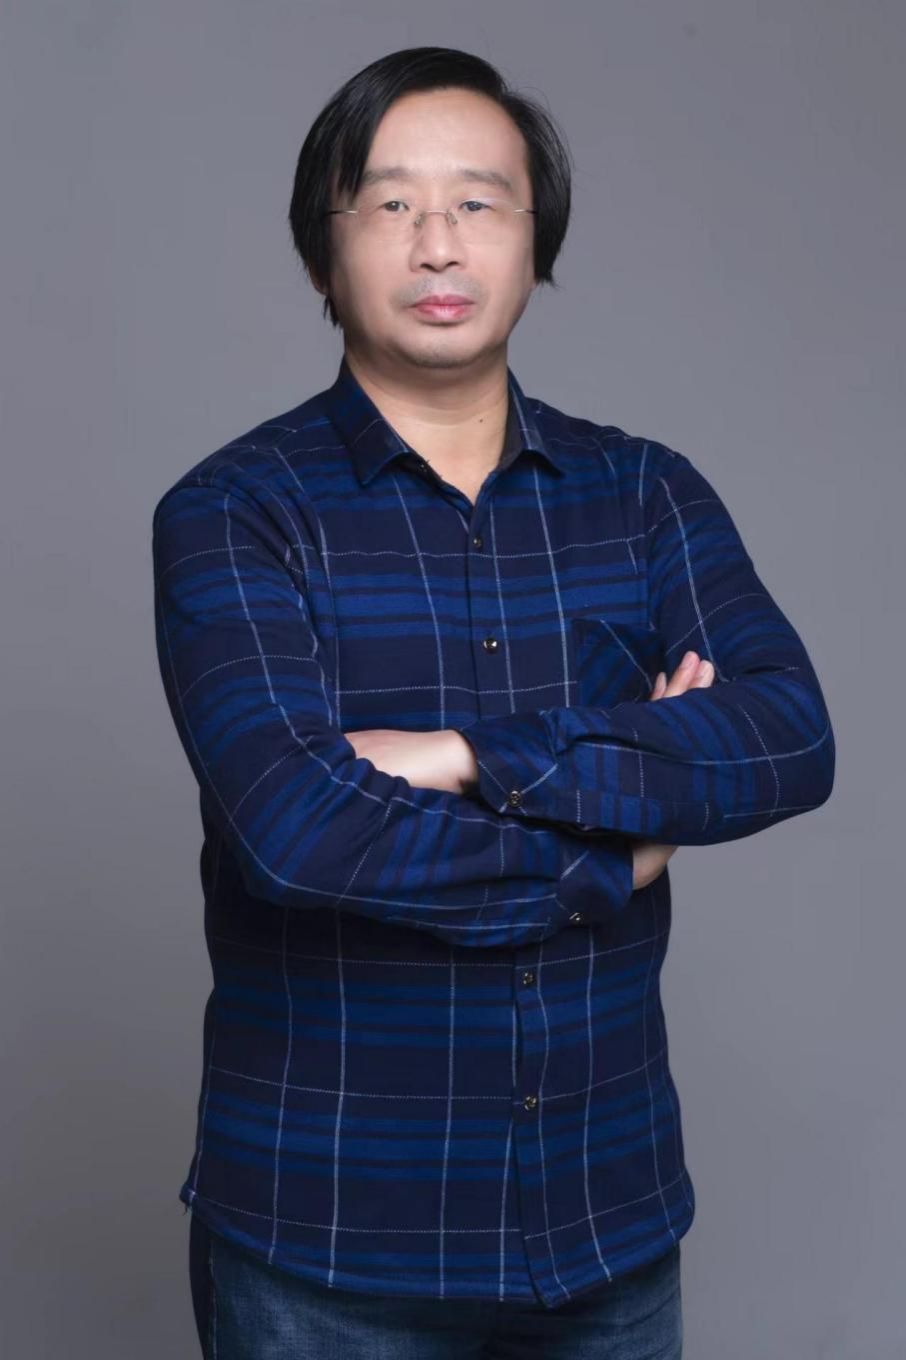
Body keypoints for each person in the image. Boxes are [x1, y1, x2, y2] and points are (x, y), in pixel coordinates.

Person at [151, 45, 835, 1359]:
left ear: (535, 245)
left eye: (477, 201)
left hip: (605, 1219)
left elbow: (787, 734)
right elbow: (294, 829)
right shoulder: (234, 512)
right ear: (321, 253)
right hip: (327, 1236)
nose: (437, 241)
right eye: (390, 203)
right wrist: (614, 849)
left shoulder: (645, 495)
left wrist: (459, 754)